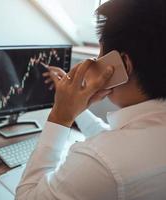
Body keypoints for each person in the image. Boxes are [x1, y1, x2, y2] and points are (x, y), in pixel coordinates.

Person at [15, 0, 166, 199]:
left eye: (100, 55)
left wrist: (60, 116)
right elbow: (115, 140)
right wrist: (74, 109)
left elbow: (26, 196)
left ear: (123, 65)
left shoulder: (100, 162)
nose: (97, 62)